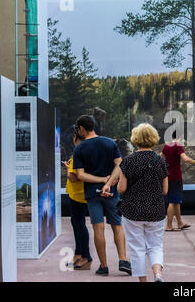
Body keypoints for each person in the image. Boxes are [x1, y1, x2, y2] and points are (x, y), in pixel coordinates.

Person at [73, 115, 131, 276]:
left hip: (92, 194)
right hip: (112, 193)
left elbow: (81, 175)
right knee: (117, 225)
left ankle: (104, 266)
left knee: (98, 228)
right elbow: (120, 164)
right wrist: (109, 182)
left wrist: (100, 181)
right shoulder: (109, 143)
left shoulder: (79, 148)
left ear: (82, 128)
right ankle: (123, 259)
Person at [117, 123, 169, 281]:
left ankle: (143, 280)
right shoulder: (160, 161)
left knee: (136, 248)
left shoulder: (128, 161)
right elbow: (165, 190)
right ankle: (158, 274)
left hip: (133, 211)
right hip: (156, 211)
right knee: (156, 245)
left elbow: (121, 188)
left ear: (135, 139)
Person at [63, 130, 92, 270]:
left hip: (77, 195)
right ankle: (79, 253)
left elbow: (74, 177)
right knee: (76, 223)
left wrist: (68, 168)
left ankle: (86, 256)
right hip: (81, 193)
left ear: (75, 137)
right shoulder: (87, 152)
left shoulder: (78, 153)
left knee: (79, 224)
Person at [162, 132, 195, 231]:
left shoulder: (167, 145)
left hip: (168, 176)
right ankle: (169, 225)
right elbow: (185, 158)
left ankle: (180, 223)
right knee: (173, 201)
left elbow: (162, 156)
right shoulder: (178, 145)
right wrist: (193, 161)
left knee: (176, 201)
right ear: (180, 136)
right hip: (176, 177)